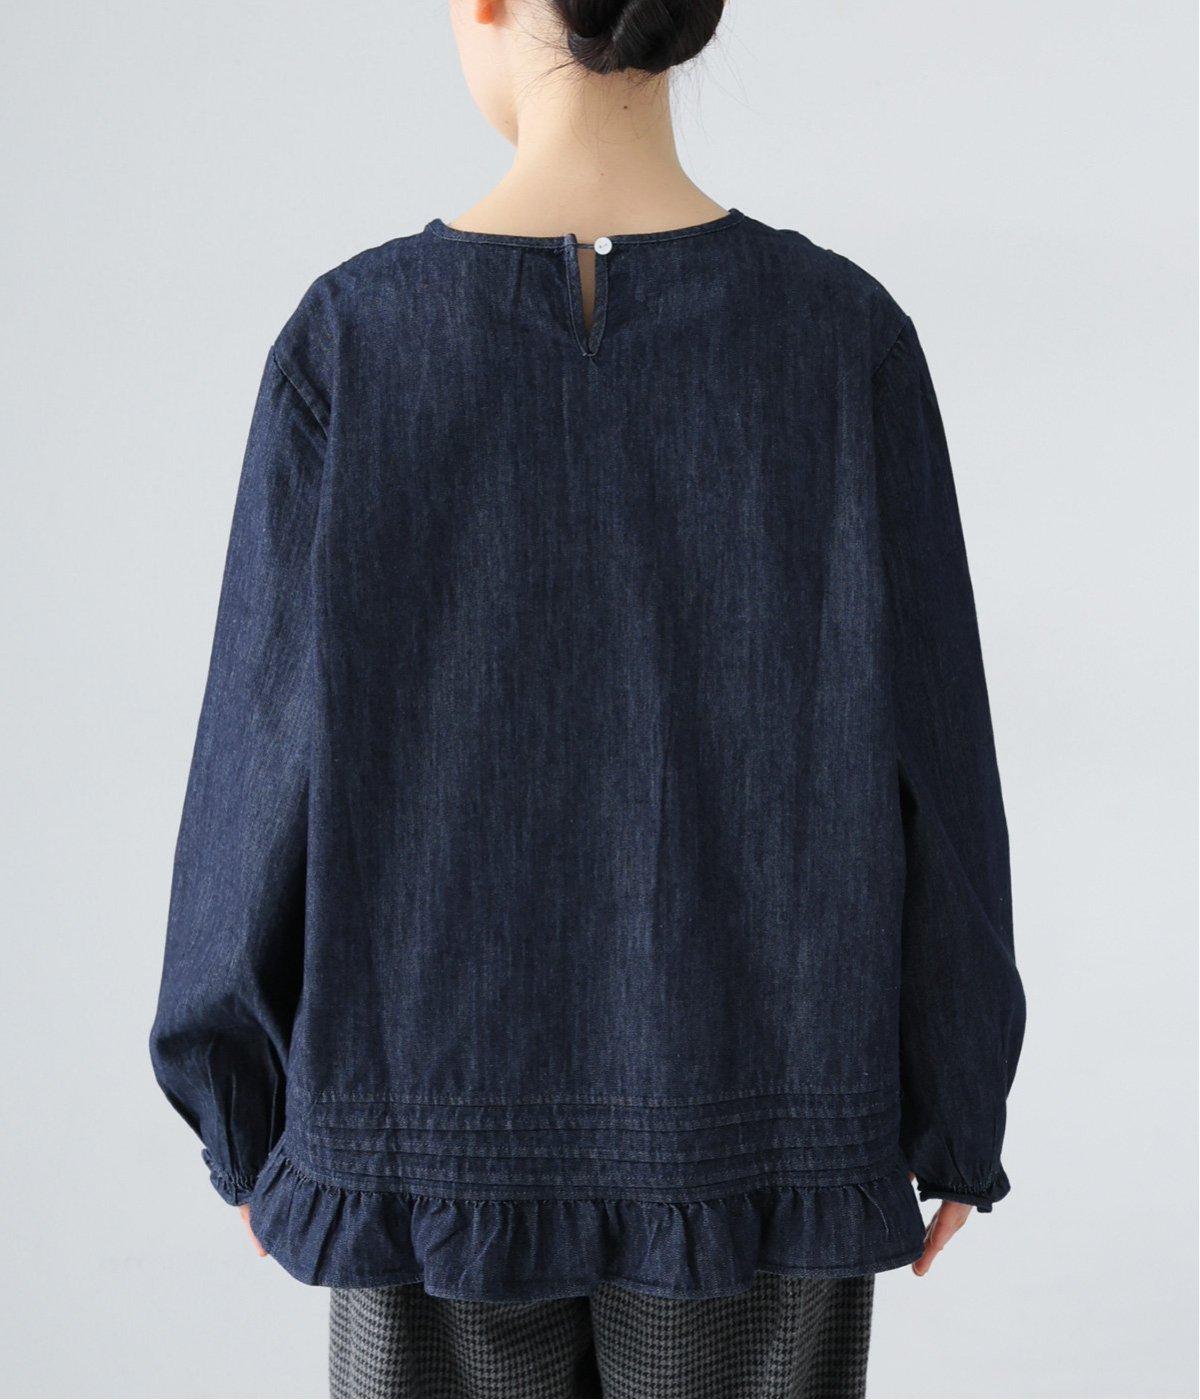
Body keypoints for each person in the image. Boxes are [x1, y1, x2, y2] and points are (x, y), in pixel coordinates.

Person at [150, 1, 1025, 1395]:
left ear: (490, 4)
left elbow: (261, 756)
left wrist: (236, 1107)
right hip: (763, 1134)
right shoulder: (841, 338)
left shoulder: (356, 343)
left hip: (423, 1129)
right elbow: (939, 753)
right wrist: (957, 1093)